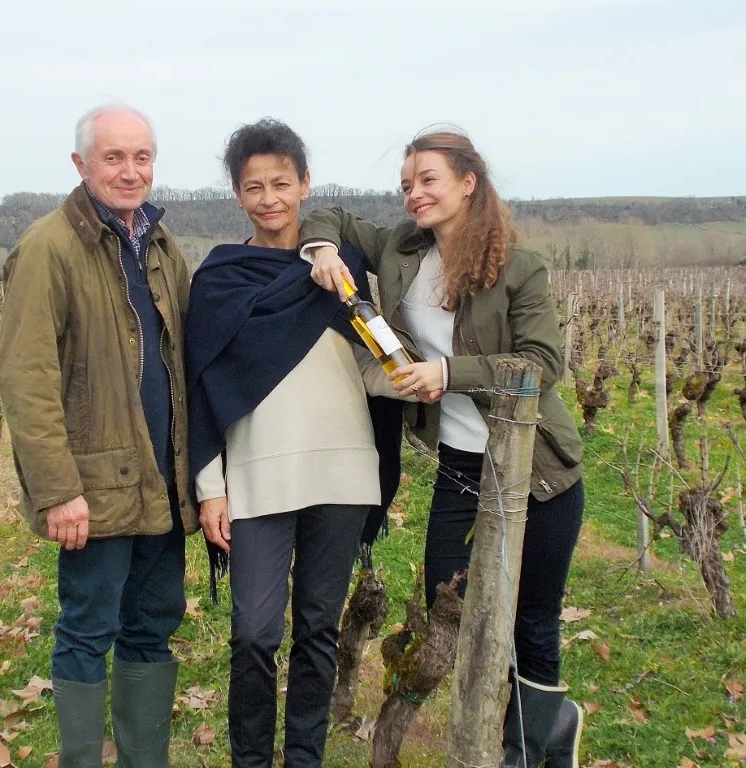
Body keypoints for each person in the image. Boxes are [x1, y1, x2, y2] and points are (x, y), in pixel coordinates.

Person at [300, 128, 585, 768]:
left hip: (537, 470)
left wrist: (449, 374)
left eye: (428, 179)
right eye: (406, 185)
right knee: (448, 602)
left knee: (531, 620)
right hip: (460, 468)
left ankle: (530, 745)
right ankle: (521, 722)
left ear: (468, 182)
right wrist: (323, 248)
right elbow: (333, 214)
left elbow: (543, 364)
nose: (414, 194)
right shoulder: (403, 249)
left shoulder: (520, 268)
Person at [186, 118, 407, 768]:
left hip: (342, 475)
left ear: (305, 184)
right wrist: (210, 488)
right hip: (259, 479)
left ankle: (305, 758)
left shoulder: (343, 270)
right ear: (237, 194)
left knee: (318, 631)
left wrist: (428, 380)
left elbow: (372, 362)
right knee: (254, 634)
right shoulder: (221, 280)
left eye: (281, 183)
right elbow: (203, 389)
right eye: (254, 186)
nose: (269, 198)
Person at [0, 104, 196, 768]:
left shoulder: (161, 247)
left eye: (142, 157)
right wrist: (58, 490)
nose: (130, 171)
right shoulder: (48, 247)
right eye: (114, 157)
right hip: (95, 489)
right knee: (87, 630)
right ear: (81, 164)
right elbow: (27, 378)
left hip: (161, 482)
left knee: (153, 626)